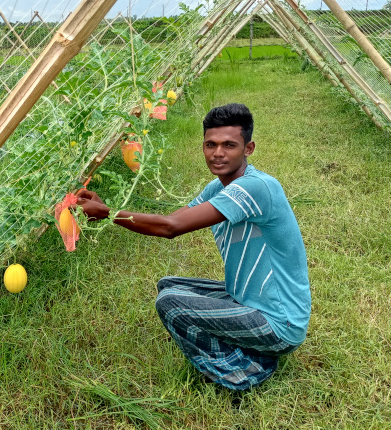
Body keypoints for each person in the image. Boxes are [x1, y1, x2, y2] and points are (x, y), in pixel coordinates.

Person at [77, 103, 311, 390]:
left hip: (280, 323)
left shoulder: (256, 187)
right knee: (169, 285)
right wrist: (106, 208)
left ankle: (247, 369)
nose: (218, 153)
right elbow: (173, 218)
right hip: (249, 303)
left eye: (229, 145)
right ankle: (251, 349)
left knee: (171, 305)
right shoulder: (218, 187)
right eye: (210, 144)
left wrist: (109, 214)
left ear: (248, 149)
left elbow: (169, 229)